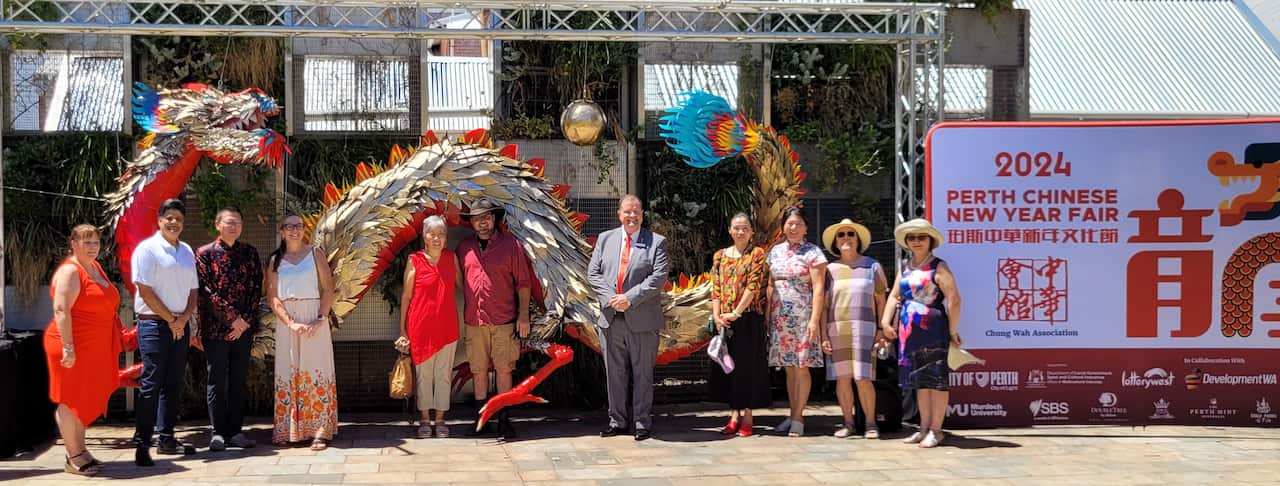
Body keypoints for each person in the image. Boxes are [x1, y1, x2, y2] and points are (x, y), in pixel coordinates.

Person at [587, 194, 669, 441]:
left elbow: (657, 278)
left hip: (642, 319)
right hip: (611, 319)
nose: (632, 216)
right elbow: (593, 273)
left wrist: (629, 298)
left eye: (636, 212)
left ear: (642, 215)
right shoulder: (605, 239)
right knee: (614, 373)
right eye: (627, 212)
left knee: (643, 373)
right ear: (619, 214)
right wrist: (613, 298)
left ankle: (642, 422)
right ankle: (617, 421)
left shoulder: (657, 242)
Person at [44, 224, 122, 475]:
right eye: (86, 242)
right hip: (71, 344)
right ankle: (73, 455)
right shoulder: (70, 271)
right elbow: (61, 310)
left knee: (84, 396)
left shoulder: (95, 267)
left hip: (93, 346)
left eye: (96, 243)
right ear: (73, 244)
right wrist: (68, 347)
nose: (92, 247)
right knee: (70, 399)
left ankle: (81, 449)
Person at [880, 218, 962, 448]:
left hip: (933, 331)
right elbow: (895, 296)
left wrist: (953, 331)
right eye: (912, 237)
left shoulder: (939, 266)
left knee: (936, 380)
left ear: (930, 241)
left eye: (921, 237)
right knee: (918, 381)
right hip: (908, 332)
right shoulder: (905, 267)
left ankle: (937, 429)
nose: (916, 241)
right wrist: (886, 323)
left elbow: (954, 300)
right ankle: (923, 427)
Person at [131, 198, 199, 466]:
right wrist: (171, 319)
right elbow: (144, 291)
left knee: (172, 385)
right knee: (151, 384)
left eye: (179, 219)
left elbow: (193, 291)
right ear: (159, 220)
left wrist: (182, 319)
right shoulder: (147, 250)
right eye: (169, 217)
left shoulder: (186, 251)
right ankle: (142, 445)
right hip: (153, 326)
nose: (174, 222)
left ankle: (167, 439)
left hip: (180, 326)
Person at [456, 199, 532, 439]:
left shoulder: (511, 246)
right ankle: (482, 420)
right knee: (478, 370)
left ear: (494, 219)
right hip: (474, 322)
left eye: (487, 217)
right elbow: (458, 279)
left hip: (504, 320)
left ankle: (504, 419)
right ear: (472, 223)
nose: (482, 222)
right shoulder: (464, 248)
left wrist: (523, 316)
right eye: (478, 218)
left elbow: (523, 283)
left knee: (504, 369)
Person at [265, 214, 338, 450]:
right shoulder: (275, 260)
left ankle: (319, 430)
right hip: (288, 321)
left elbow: (328, 289)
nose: (295, 230)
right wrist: (290, 322)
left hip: (314, 316)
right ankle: (290, 430)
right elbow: (273, 297)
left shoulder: (315, 254)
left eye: (299, 226)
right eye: (290, 226)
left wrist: (321, 318)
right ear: (281, 231)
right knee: (290, 370)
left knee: (316, 370)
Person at [195, 207, 263, 451]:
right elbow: (206, 292)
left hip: (243, 330)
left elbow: (257, 288)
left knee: (238, 381)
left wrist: (244, 321)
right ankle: (217, 432)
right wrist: (232, 318)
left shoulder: (249, 253)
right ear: (218, 225)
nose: (234, 227)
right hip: (216, 329)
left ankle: (236, 431)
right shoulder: (205, 254)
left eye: (238, 223)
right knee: (216, 381)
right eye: (229, 222)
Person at [395, 216, 462, 439]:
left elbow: (465, 286)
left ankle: (441, 419)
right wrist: (403, 330)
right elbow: (406, 297)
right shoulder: (414, 260)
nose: (437, 238)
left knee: (443, 375)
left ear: (446, 238)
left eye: (441, 234)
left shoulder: (452, 259)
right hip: (420, 329)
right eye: (432, 234)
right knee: (423, 376)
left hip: (447, 327)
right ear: (424, 237)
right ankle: (425, 419)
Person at [820, 218, 887, 439]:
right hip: (837, 329)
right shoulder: (829, 270)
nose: (846, 238)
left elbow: (881, 301)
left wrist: (881, 328)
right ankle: (848, 423)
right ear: (835, 242)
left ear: (858, 240)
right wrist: (823, 335)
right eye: (841, 235)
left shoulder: (873, 266)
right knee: (843, 378)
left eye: (850, 234)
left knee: (863, 378)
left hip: (865, 329)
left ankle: (870, 424)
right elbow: (823, 306)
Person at [707, 213, 771, 438]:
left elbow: (753, 286)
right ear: (730, 230)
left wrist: (736, 312)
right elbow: (715, 289)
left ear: (751, 232)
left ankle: (748, 416)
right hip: (724, 320)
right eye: (737, 228)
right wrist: (717, 316)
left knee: (747, 368)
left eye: (745, 228)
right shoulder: (720, 256)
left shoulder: (757, 254)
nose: (741, 232)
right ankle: (733, 415)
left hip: (748, 318)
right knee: (729, 368)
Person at [766, 207, 827, 437]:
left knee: (802, 367)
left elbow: (819, 289)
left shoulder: (814, 253)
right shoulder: (775, 252)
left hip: (803, 317)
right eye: (789, 224)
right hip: (780, 318)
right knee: (789, 368)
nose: (793, 228)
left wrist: (814, 320)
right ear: (783, 227)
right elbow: (771, 284)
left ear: (806, 228)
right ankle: (792, 414)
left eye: (798, 224)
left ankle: (799, 418)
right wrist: (767, 315)